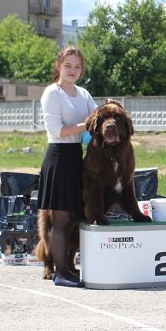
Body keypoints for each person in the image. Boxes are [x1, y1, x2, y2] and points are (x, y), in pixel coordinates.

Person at [37, 46, 97, 287]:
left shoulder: (83, 93)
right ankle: (60, 273)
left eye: (77, 66)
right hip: (58, 157)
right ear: (58, 65)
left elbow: (96, 117)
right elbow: (57, 130)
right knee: (60, 222)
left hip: (76, 158)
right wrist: (86, 125)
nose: (73, 70)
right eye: (68, 65)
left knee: (72, 218)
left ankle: (68, 269)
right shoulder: (52, 93)